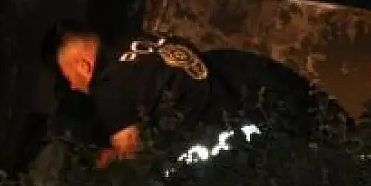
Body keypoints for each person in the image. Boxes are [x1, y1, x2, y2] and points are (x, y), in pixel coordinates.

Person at [40, 20, 244, 167]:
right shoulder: (137, 41)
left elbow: (133, 161)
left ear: (83, 66)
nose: (73, 87)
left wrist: (109, 160)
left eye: (68, 78)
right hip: (232, 103)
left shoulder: (108, 89)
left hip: (215, 143)